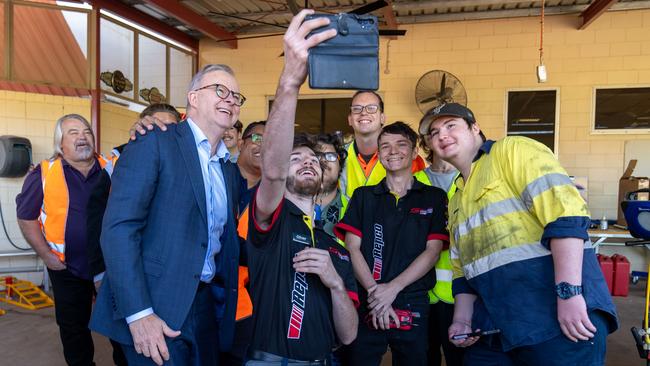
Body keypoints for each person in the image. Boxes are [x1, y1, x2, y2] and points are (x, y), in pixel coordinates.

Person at [419, 103, 618, 365]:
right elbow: (462, 270)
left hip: (556, 318)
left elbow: (565, 217)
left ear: (475, 128)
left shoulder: (512, 151)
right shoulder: (456, 197)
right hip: (497, 326)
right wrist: (462, 320)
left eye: (450, 125)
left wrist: (569, 294)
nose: (441, 135)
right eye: (433, 132)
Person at [90, 64, 245, 366]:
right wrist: (139, 313)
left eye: (237, 96)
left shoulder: (227, 168)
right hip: (154, 304)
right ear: (193, 98)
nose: (231, 100)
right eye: (220, 90)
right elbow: (119, 229)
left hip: (203, 304)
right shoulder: (154, 142)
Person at [245, 10, 358, 364]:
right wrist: (290, 82)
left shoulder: (334, 245)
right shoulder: (270, 219)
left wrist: (336, 282)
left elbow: (350, 334)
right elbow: (274, 174)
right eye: (296, 157)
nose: (308, 161)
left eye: (313, 159)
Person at [334, 122, 448, 366]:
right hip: (369, 301)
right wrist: (377, 294)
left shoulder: (434, 198)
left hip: (413, 301)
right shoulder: (363, 196)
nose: (392, 151)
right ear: (379, 154)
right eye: (385, 146)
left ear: (415, 151)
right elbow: (352, 248)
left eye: (401, 144)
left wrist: (392, 289)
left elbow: (433, 250)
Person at [16, 114, 111, 366]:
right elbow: (26, 217)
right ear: (60, 143)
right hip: (67, 269)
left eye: (87, 131)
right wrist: (47, 256)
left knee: (123, 329)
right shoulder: (44, 174)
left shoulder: (112, 168)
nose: (82, 137)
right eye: (73, 132)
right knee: (74, 332)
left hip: (111, 268)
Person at [414, 129, 463, 366]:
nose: (444, 137)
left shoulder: (469, 177)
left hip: (460, 291)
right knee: (423, 357)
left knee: (459, 357)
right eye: (434, 133)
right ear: (426, 142)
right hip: (421, 290)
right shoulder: (414, 181)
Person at [220, 120, 266, 366]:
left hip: (247, 303)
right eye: (259, 138)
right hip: (206, 292)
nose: (264, 146)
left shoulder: (273, 195)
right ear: (242, 141)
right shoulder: (217, 175)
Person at [339, 91, 425, 201]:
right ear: (350, 119)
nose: (364, 113)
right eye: (356, 109)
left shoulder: (408, 159)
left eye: (371, 108)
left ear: (382, 118)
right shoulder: (338, 158)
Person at [314, 132, 348, 241]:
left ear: (340, 166)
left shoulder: (355, 209)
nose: (323, 160)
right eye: (317, 155)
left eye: (330, 156)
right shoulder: (288, 206)